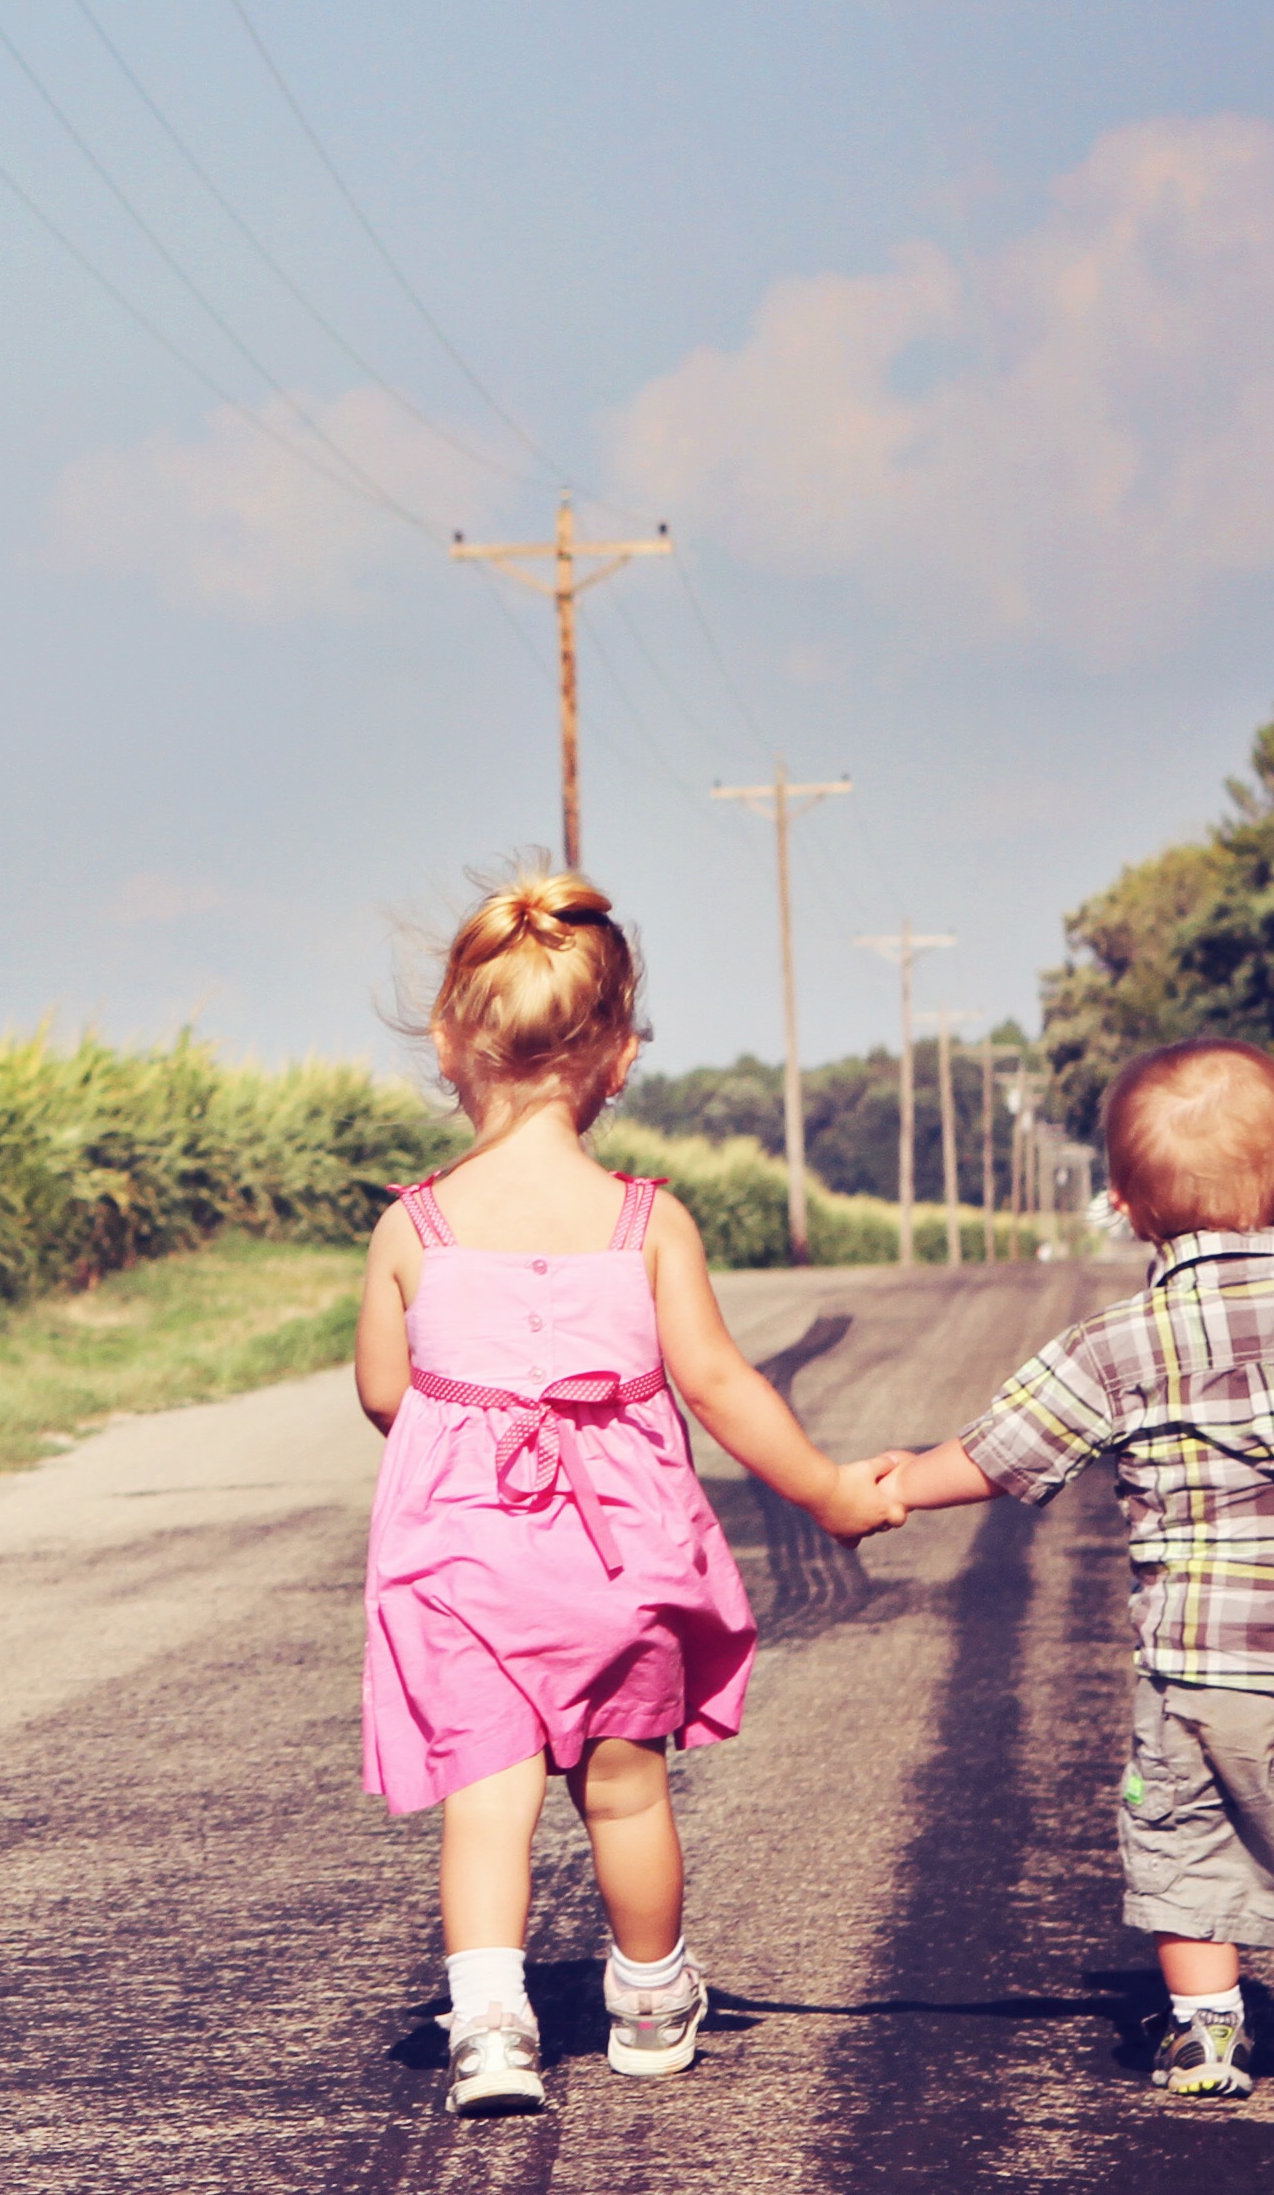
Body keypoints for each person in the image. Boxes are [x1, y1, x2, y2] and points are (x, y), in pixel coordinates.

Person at [865, 1038, 1274, 2114]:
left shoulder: (1115, 1344)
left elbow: (1002, 1454)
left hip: (1203, 1667)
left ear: (1128, 1208)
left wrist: (898, 1485)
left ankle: (1207, 2036)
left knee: (1190, 1843)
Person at [356, 867, 904, 2116]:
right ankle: (650, 1998)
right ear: (619, 1056)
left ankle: (491, 2025)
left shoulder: (414, 1227)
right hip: (618, 1560)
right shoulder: (645, 1222)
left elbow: (387, 1392)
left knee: (486, 1797)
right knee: (624, 1784)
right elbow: (717, 1383)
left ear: (449, 1040)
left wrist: (477, 1425)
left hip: (464, 1563)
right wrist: (826, 1493)